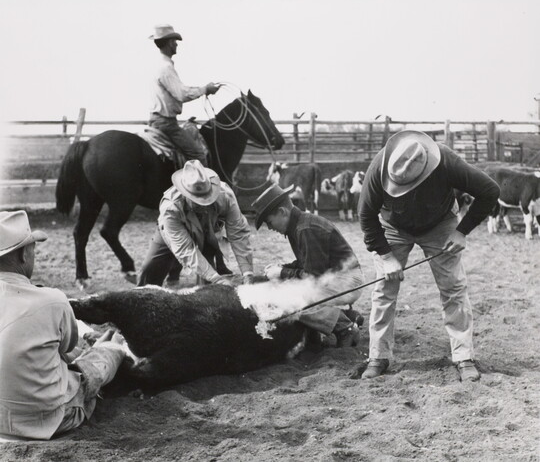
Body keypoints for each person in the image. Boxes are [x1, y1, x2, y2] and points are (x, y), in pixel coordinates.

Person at [355, 130, 500, 381]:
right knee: (383, 291)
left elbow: (490, 190)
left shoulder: (447, 161)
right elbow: (366, 216)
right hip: (393, 227)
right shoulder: (378, 168)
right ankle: (378, 356)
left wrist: (461, 231)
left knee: (454, 288)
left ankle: (464, 356)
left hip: (440, 224)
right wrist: (386, 255)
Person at [0, 211, 126, 440]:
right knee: (107, 353)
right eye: (32, 249)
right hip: (49, 419)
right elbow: (68, 348)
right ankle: (115, 349)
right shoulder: (51, 299)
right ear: (22, 256)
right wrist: (100, 350)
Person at [251, 184, 365, 347]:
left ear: (282, 212)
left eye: (269, 222)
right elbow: (308, 263)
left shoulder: (306, 228)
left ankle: (345, 327)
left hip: (347, 280)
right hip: (333, 276)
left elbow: (312, 277)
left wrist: (282, 272)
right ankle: (348, 315)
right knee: (287, 288)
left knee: (290, 300)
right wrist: (282, 268)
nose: (269, 228)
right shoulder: (298, 224)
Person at [138, 160, 254, 287]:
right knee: (150, 269)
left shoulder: (226, 196)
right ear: (184, 193)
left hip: (209, 229)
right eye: (197, 200)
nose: (203, 204)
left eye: (207, 197)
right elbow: (185, 250)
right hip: (174, 231)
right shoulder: (170, 207)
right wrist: (218, 279)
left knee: (209, 285)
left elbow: (239, 234)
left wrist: (247, 273)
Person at [148, 23, 221, 166]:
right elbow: (181, 94)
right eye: (174, 41)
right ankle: (199, 187)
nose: (176, 44)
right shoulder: (166, 68)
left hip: (157, 120)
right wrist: (205, 89)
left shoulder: (159, 66)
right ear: (169, 43)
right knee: (198, 154)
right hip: (167, 124)